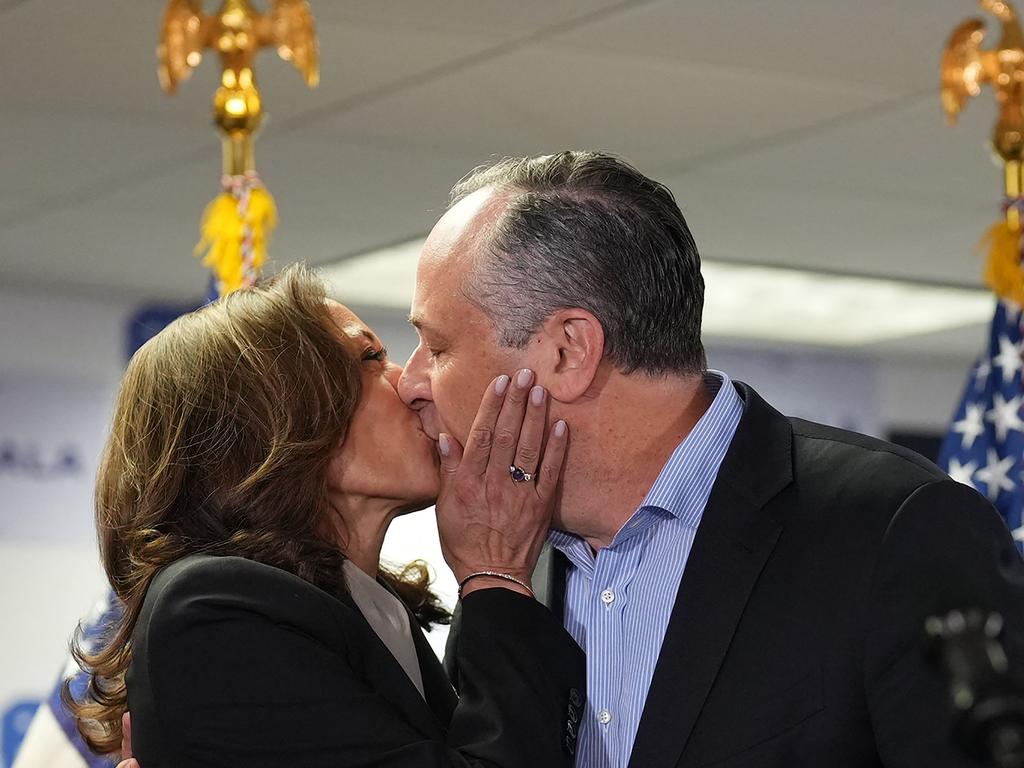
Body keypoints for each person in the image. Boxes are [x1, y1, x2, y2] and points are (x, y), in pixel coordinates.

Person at [395, 151, 1024, 767]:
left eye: (437, 347)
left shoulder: (893, 526)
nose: (411, 383)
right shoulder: (502, 572)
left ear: (567, 351)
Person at [69, 264, 584, 768]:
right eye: (369, 359)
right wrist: (495, 572)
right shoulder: (214, 609)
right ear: (275, 420)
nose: (409, 384)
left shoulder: (365, 605)